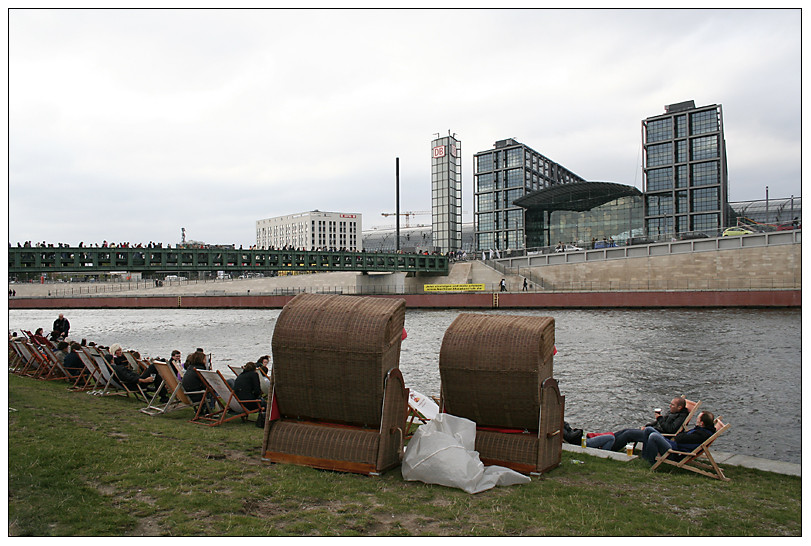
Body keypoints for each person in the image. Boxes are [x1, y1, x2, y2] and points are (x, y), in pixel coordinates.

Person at [611, 396, 689, 451]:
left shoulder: (681, 416)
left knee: (628, 434)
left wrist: (659, 418)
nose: (670, 406)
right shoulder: (672, 412)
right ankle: (607, 439)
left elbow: (670, 429)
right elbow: (659, 422)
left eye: (672, 405)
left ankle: (610, 448)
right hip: (652, 430)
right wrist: (647, 426)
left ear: (679, 407)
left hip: (658, 435)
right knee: (625, 430)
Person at [640, 411, 716, 464]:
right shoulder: (700, 429)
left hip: (673, 452)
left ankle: (650, 461)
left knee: (654, 436)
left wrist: (680, 436)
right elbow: (680, 436)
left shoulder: (700, 435)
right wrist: (680, 436)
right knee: (648, 429)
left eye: (698, 418)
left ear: (702, 423)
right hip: (673, 445)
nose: (696, 419)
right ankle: (645, 456)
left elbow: (679, 438)